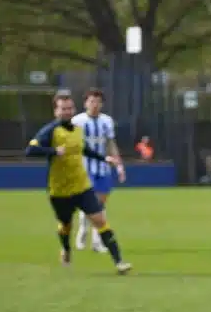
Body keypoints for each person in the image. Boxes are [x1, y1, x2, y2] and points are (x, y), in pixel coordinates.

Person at [24, 91, 131, 274]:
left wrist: (105, 158)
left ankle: (119, 262)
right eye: (63, 109)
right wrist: (53, 151)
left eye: (69, 108)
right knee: (66, 225)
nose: (67, 112)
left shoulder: (78, 129)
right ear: (56, 111)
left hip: (82, 186)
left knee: (100, 220)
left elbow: (85, 150)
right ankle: (66, 249)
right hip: (60, 190)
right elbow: (30, 150)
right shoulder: (50, 131)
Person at [75, 88, 125, 252]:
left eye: (97, 102)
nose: (94, 105)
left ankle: (96, 240)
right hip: (84, 167)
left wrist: (119, 165)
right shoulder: (78, 121)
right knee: (91, 203)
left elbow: (111, 144)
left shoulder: (107, 121)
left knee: (101, 205)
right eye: (91, 101)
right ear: (85, 103)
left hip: (103, 168)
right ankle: (84, 229)